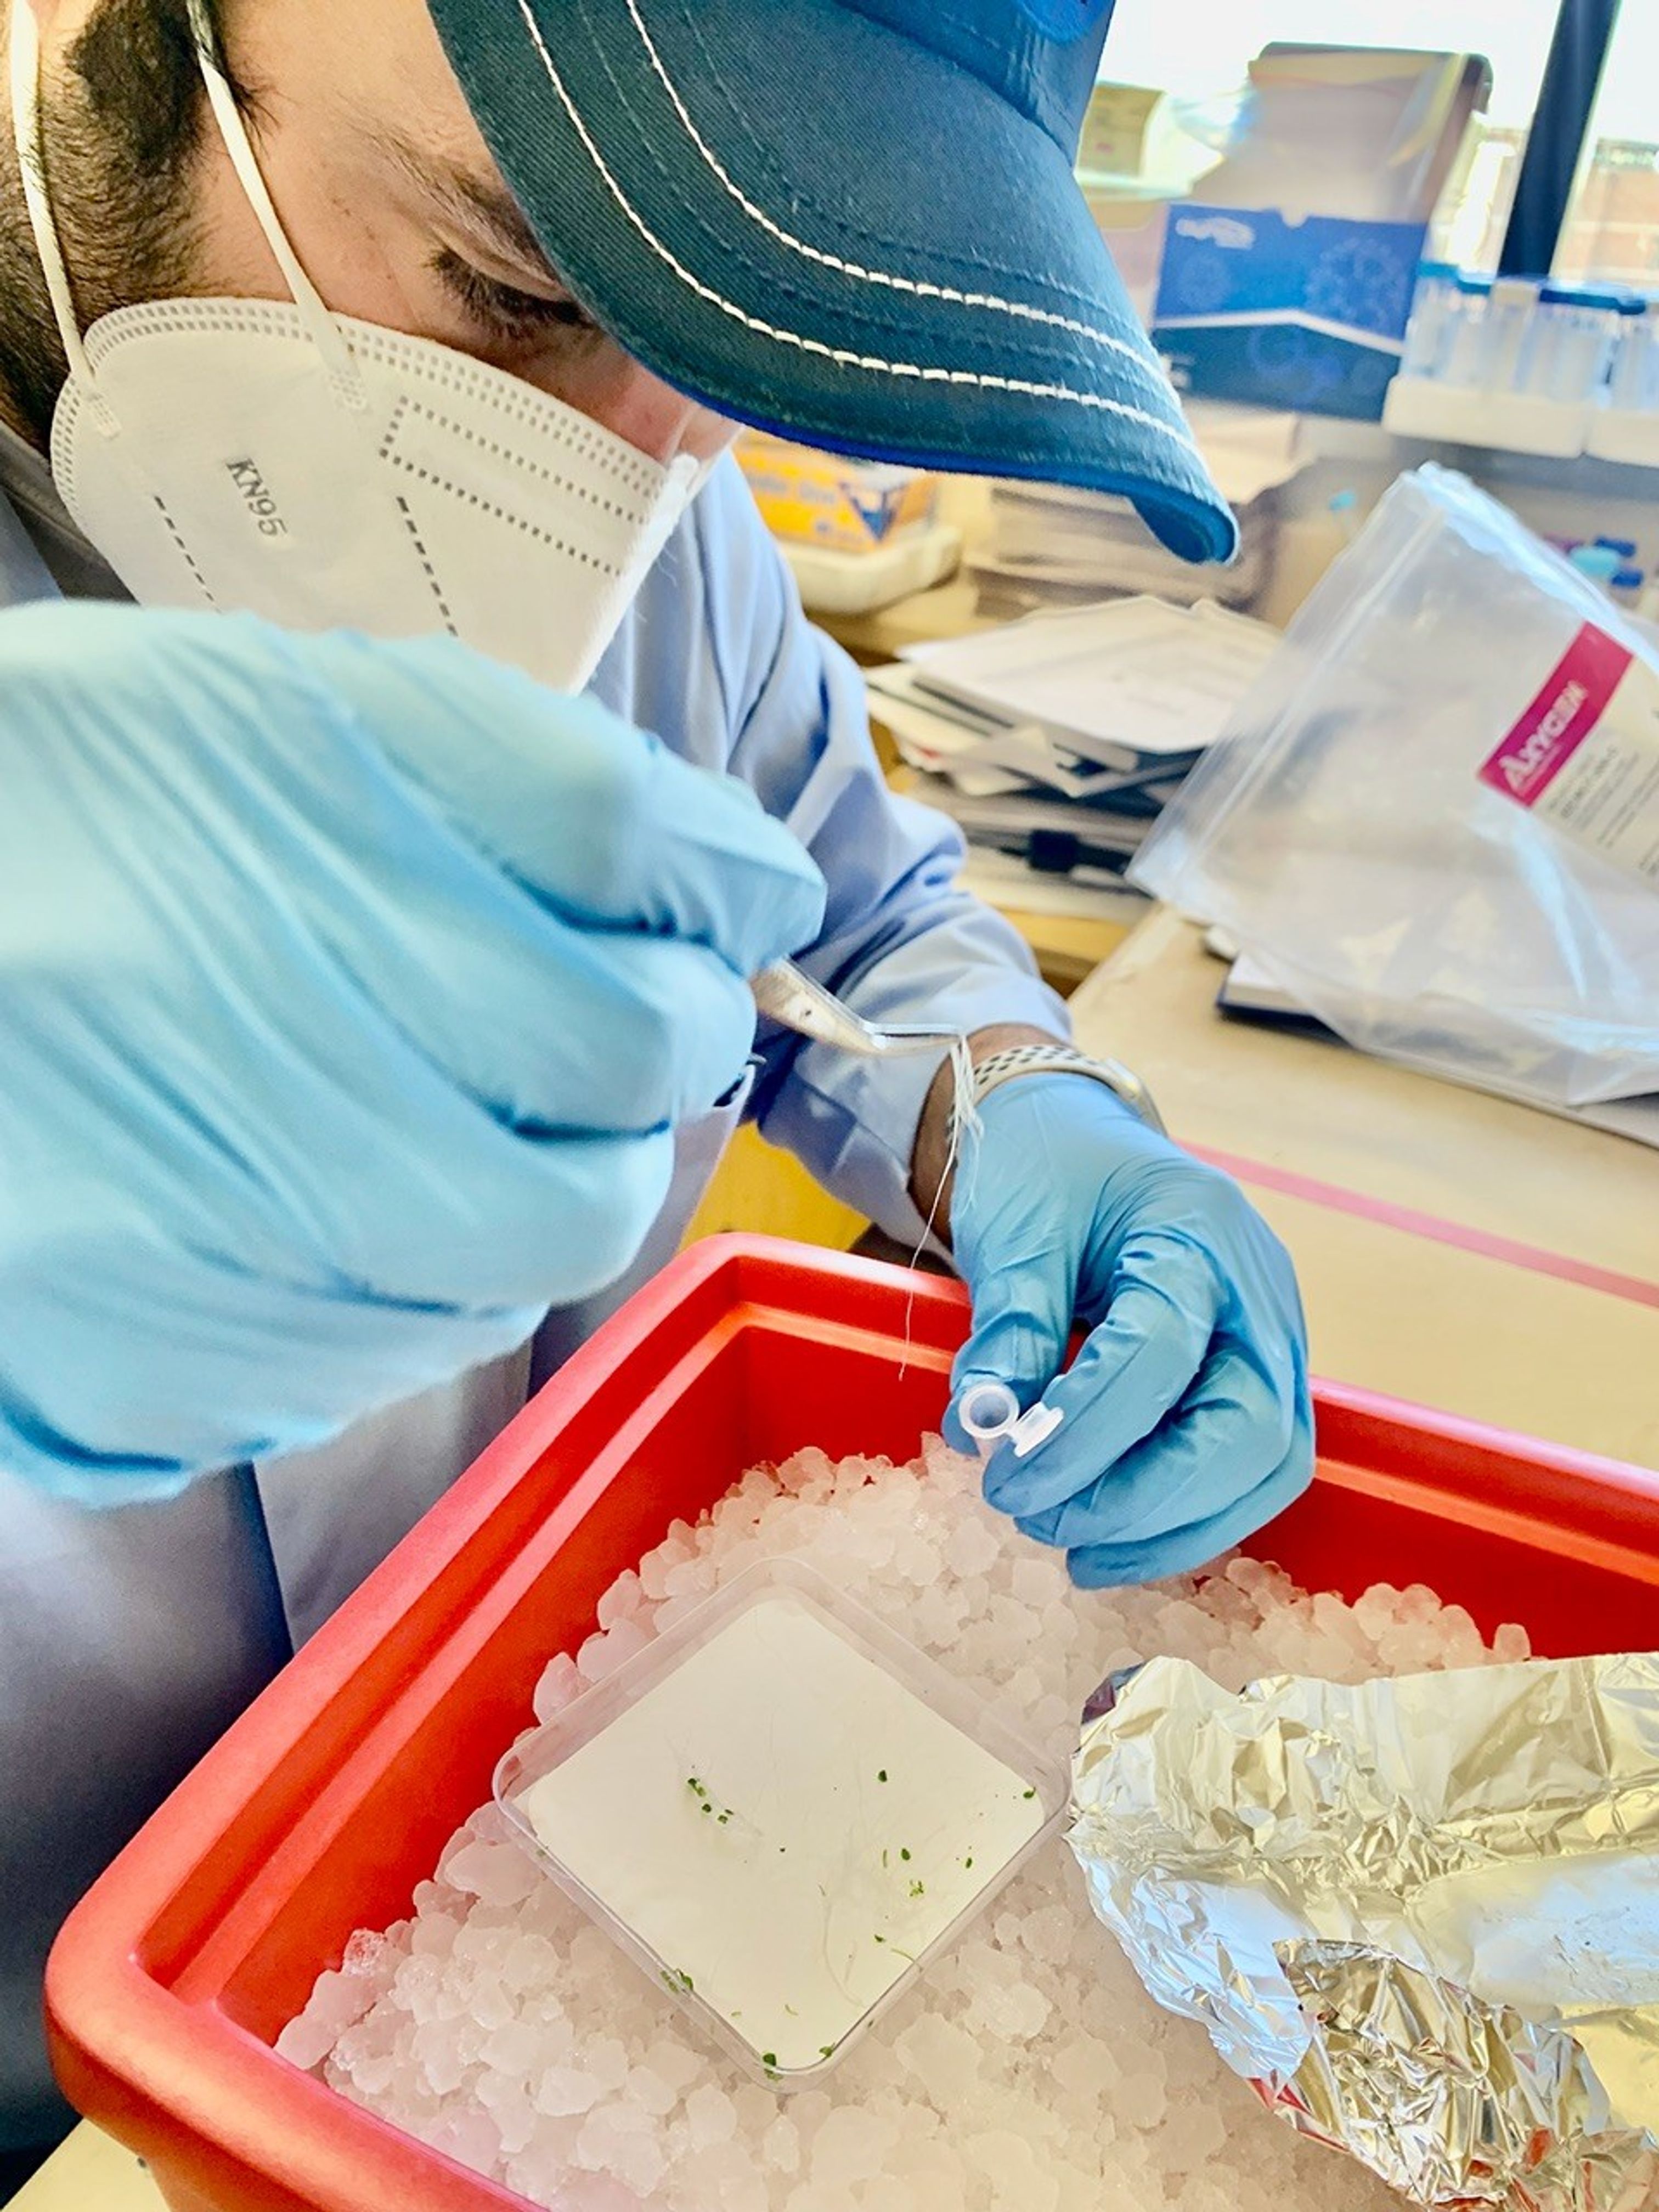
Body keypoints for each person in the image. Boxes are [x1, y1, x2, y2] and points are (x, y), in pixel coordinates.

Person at [0, 0, 1312, 2172]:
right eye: (511, 284)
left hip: (496, 1903)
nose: (613, 478)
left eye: (746, 363)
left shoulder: (650, 523)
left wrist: (1020, 1111)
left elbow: (859, 933)